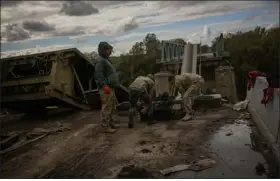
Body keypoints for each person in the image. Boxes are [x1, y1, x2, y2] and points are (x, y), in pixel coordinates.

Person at [94, 42, 120, 133]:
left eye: (109, 49)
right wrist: (104, 85)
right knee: (107, 107)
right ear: (102, 50)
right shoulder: (100, 60)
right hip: (106, 88)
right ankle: (105, 126)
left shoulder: (106, 60)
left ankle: (111, 123)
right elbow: (98, 75)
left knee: (112, 106)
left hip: (111, 87)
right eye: (107, 49)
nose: (109, 51)